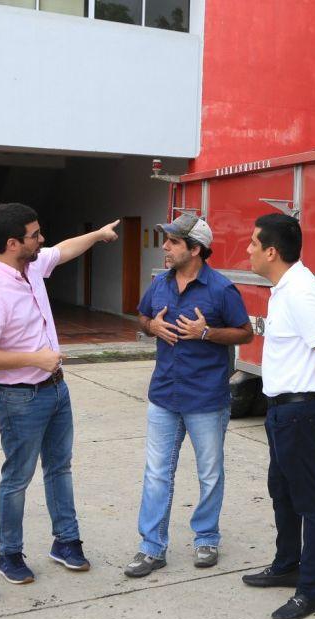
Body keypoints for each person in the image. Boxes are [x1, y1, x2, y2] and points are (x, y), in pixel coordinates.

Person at [0, 203, 119, 584]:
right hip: (18, 398)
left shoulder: (29, 267)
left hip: (55, 389)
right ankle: (9, 553)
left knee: (60, 468)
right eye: (35, 234)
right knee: (17, 477)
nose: (41, 239)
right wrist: (35, 358)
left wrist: (98, 235)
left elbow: (63, 249)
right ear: (13, 242)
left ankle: (66, 542)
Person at [241, 213, 315, 619]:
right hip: (281, 411)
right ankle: (287, 564)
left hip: (300, 413)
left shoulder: (301, 293)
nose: (248, 250)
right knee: (282, 492)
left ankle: (311, 590)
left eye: (254, 243)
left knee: (309, 502)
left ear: (272, 251)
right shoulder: (284, 288)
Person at [125, 214, 253, 578]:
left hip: (206, 399)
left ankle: (207, 538)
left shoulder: (221, 289)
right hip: (164, 394)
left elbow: (244, 334)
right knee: (156, 474)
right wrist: (152, 326)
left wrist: (206, 332)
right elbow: (141, 317)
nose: (164, 247)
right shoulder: (160, 284)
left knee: (209, 473)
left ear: (195, 249)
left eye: (173, 242)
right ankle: (151, 548)